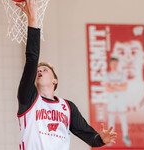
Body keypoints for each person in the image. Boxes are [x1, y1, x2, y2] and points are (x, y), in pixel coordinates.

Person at [16, 0, 117, 149]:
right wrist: (33, 20)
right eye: (38, 70)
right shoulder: (28, 99)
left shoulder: (67, 107)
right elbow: (32, 58)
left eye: (44, 69)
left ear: (55, 80)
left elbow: (90, 137)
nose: (39, 70)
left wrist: (101, 139)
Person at [104, 57, 131, 146]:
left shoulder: (122, 75)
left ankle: (125, 136)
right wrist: (118, 87)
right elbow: (107, 88)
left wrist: (114, 86)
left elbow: (125, 87)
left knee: (123, 120)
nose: (114, 65)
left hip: (121, 101)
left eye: (116, 64)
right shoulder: (107, 75)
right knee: (111, 121)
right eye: (113, 64)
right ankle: (110, 139)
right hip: (112, 101)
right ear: (110, 64)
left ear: (118, 64)